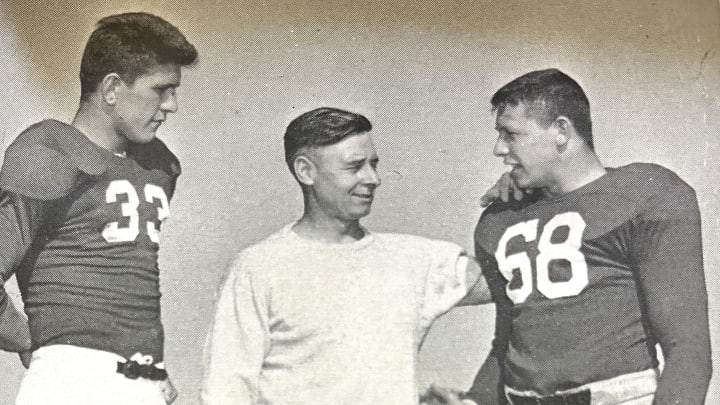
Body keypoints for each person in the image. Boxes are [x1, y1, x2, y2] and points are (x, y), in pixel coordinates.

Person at [425, 69, 711, 404]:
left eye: (511, 134)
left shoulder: (646, 194)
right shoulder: (500, 219)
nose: (498, 149)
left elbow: (686, 348)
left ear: (561, 130)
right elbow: (508, 344)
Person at [201, 107, 492, 404]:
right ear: (306, 171)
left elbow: (518, 279)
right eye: (354, 167)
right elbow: (225, 389)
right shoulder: (257, 268)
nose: (373, 178)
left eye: (373, 165)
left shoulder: (411, 261)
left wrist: (532, 195)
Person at [0, 12, 198, 404]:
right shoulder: (49, 151)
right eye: (161, 89)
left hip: (145, 377)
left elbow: (128, 276)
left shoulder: (158, 167)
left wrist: (149, 373)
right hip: (73, 379)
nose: (171, 105)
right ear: (111, 88)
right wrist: (29, 337)